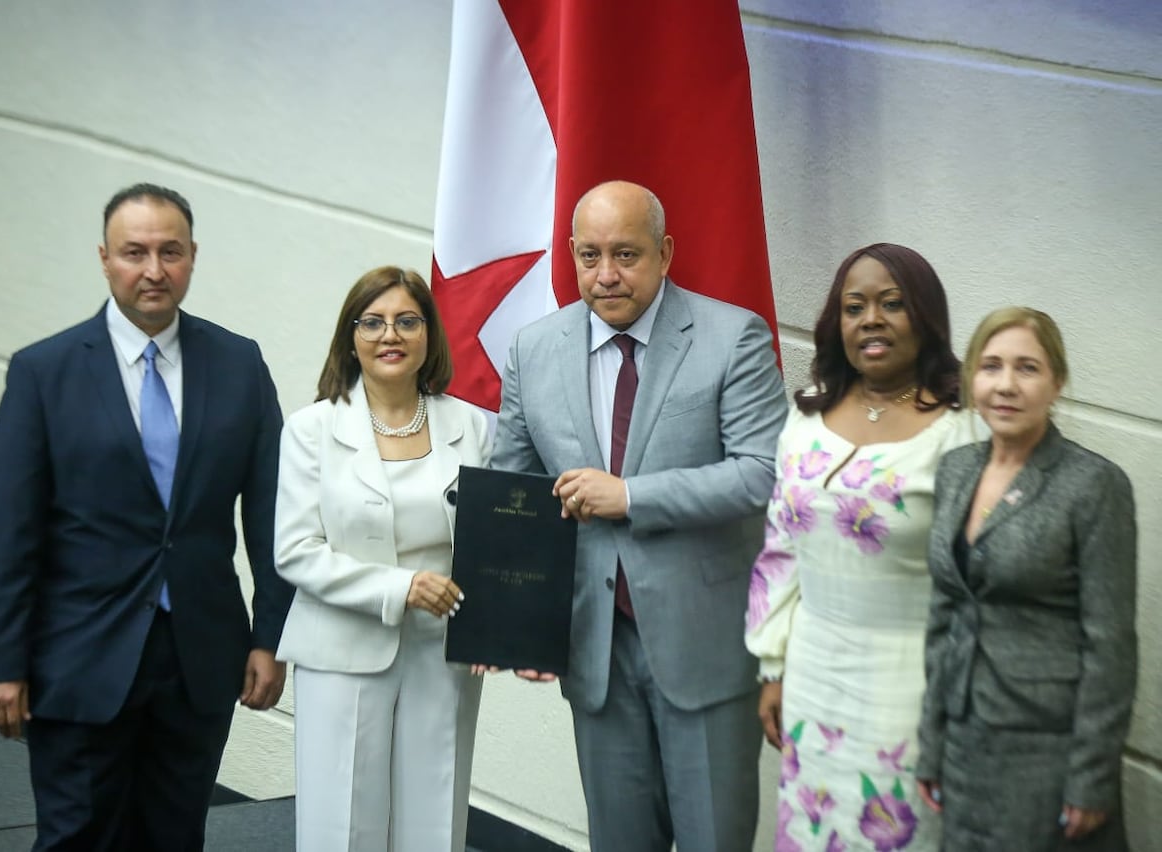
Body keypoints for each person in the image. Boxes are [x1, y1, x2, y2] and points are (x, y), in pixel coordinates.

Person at [0, 183, 293, 850]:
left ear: (193, 256)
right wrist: (0, 661)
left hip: (201, 656)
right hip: (79, 656)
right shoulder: (45, 372)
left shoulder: (238, 364)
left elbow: (269, 514)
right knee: (77, 837)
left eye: (170, 251)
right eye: (135, 252)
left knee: (175, 837)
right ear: (104, 258)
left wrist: (271, 636)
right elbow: (10, 533)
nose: (154, 270)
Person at [490, 180, 787, 851]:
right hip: (592, 649)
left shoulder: (731, 337)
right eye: (589, 256)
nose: (606, 275)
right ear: (569, 254)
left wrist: (629, 496)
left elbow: (762, 474)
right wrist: (518, 627)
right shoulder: (532, 349)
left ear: (665, 252)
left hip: (703, 647)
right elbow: (514, 493)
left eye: (626, 254)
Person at [744, 243, 978, 850]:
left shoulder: (960, 434)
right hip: (812, 675)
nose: (871, 318)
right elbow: (780, 549)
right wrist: (773, 667)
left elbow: (974, 584)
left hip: (906, 686)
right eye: (854, 307)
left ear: (925, 319)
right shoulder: (804, 419)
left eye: (892, 304)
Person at [273, 266, 489, 851]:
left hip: (442, 653)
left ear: (429, 336)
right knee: (341, 826)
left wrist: (501, 628)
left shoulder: (473, 427)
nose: (389, 334)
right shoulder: (311, 430)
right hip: (340, 649)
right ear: (351, 338)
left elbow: (495, 543)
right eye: (372, 322)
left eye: (407, 321)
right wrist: (400, 588)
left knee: (434, 824)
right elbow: (295, 552)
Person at [915, 307, 1137, 850]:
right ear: (972, 378)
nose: (1006, 385)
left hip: (1046, 749)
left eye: (1027, 368)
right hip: (965, 740)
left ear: (1056, 382)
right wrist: (932, 742)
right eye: (991, 366)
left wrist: (1091, 777)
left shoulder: (1093, 486)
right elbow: (944, 614)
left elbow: (1110, 645)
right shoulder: (957, 468)